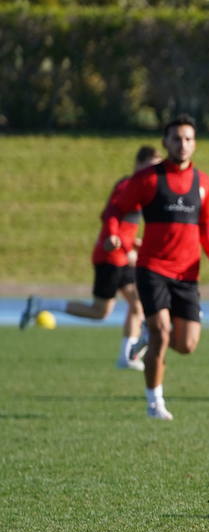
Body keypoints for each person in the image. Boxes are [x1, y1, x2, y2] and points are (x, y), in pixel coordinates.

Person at [100, 116, 209, 420]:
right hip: (153, 268)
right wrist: (113, 233)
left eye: (188, 139)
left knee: (186, 345)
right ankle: (155, 402)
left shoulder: (203, 182)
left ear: (195, 143)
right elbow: (116, 209)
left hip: (187, 274)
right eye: (177, 139)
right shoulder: (148, 179)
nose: (182, 144)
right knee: (163, 334)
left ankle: (146, 334)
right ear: (165, 142)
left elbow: (205, 222)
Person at [20, 145, 158, 370]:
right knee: (100, 312)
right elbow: (108, 216)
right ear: (139, 164)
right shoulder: (127, 185)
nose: (153, 172)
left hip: (122, 256)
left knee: (137, 304)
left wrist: (132, 243)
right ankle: (41, 304)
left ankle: (127, 357)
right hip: (110, 257)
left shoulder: (142, 187)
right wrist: (126, 247)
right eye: (150, 167)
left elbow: (123, 225)